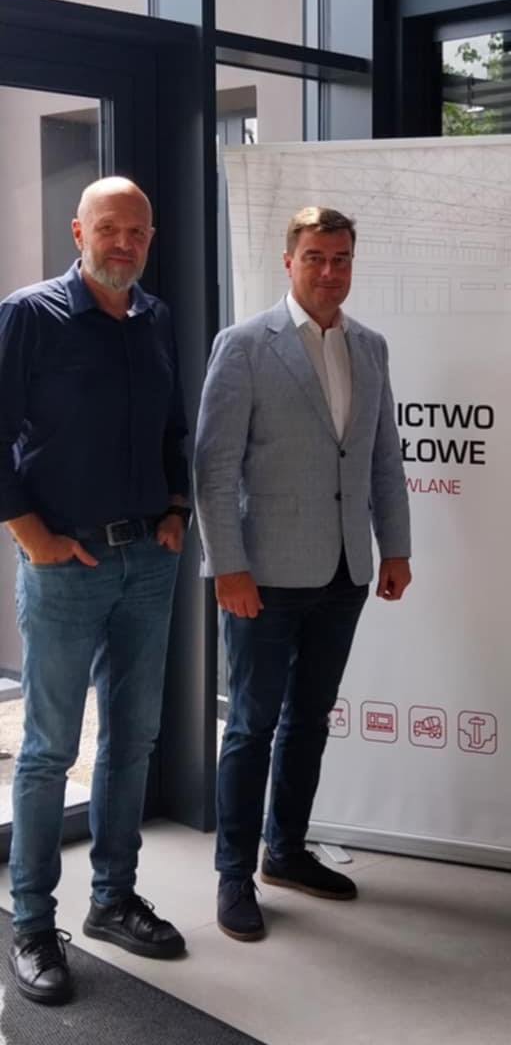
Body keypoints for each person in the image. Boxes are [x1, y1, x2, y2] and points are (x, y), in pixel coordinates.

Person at [194, 205, 411, 942]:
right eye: (315, 257)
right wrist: (228, 566)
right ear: (288, 262)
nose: (329, 271)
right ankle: (233, 874)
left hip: (346, 570)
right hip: (262, 576)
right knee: (250, 724)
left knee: (309, 720)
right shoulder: (244, 345)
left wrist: (396, 548)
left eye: (341, 258)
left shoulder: (371, 347)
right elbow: (214, 469)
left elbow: (383, 458)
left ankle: (284, 852)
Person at [0, 177, 191, 1005]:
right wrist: (31, 536)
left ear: (150, 238)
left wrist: (177, 507)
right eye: (109, 228)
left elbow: (173, 425)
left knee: (133, 738)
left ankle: (113, 899)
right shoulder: (29, 315)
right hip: (64, 565)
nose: (124, 244)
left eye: (137, 232)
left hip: (149, 560)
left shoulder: (156, 317)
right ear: (79, 232)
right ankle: (32, 925)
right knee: (48, 749)